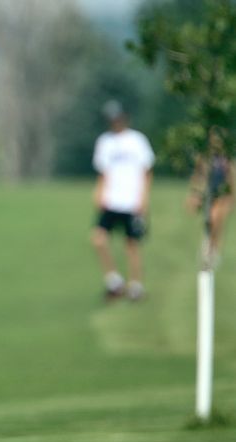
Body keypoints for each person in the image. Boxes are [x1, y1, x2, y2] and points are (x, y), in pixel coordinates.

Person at [91, 100, 155, 301]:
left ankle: (136, 286)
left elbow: (147, 171)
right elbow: (103, 172)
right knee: (99, 238)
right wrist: (99, 192)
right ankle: (114, 281)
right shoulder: (105, 142)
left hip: (131, 200)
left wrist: (143, 198)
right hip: (112, 200)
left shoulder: (137, 140)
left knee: (132, 244)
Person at [186, 126, 233, 268]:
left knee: (217, 221)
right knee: (211, 221)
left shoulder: (227, 156)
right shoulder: (205, 156)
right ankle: (208, 248)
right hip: (208, 193)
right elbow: (198, 175)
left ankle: (213, 250)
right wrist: (194, 194)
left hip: (222, 194)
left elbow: (231, 177)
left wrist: (232, 198)